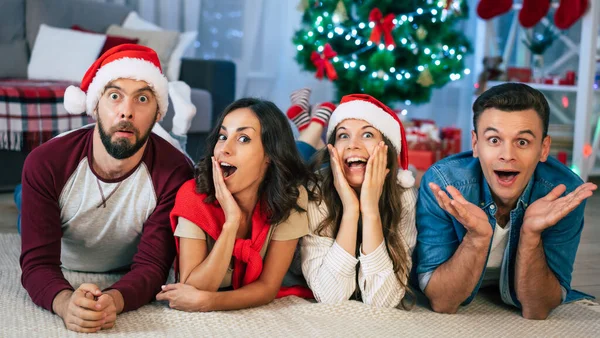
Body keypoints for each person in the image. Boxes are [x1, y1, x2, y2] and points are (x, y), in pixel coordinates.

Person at [19, 44, 194, 333]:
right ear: (95, 105)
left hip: (121, 259)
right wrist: (65, 303)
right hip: (64, 234)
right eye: (115, 96)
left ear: (157, 113)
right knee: (26, 206)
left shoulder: (175, 173)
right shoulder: (46, 162)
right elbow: (37, 264)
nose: (126, 112)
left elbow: (152, 266)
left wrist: (114, 300)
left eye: (142, 99)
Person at [415, 83, 597, 319]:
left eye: (522, 142)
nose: (507, 155)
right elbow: (442, 302)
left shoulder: (565, 194)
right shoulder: (444, 183)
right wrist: (477, 237)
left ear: (543, 148)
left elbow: (538, 309)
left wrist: (531, 234)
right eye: (493, 140)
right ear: (475, 144)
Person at [156, 98, 316, 311]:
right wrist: (231, 223)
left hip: (286, 170)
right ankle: (311, 126)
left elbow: (268, 287)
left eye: (243, 138)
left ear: (269, 154)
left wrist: (211, 302)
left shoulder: (291, 194)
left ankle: (314, 127)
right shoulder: (193, 195)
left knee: (310, 155)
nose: (225, 149)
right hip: (268, 172)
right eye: (222, 136)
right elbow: (193, 286)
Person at [291, 91, 418, 308]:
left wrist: (370, 210)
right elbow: (331, 297)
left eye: (367, 135)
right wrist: (351, 209)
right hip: (305, 174)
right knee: (292, 167)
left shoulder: (403, 193)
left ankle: (310, 127)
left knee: (304, 155)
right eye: (343, 135)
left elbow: (383, 301)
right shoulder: (316, 191)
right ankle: (312, 128)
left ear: (388, 148)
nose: (352, 145)